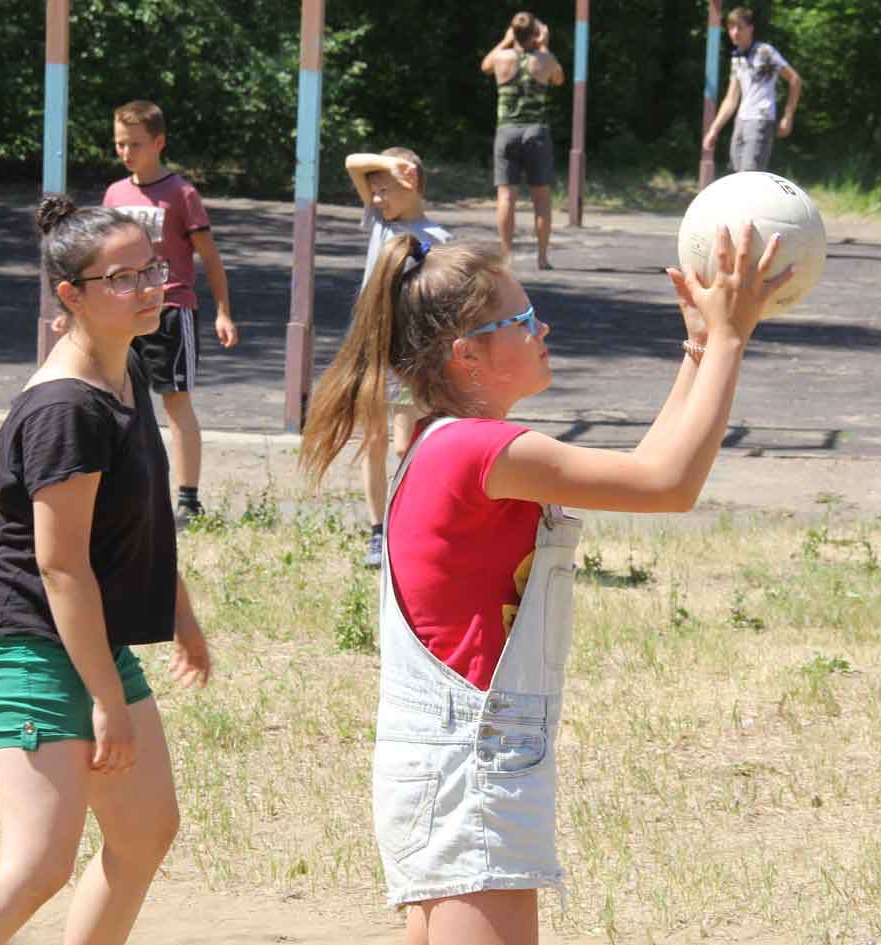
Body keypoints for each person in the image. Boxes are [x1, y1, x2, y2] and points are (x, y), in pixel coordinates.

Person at [298, 225, 786, 943]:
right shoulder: (479, 448)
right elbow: (668, 483)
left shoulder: (447, 438)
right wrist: (732, 341)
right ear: (467, 356)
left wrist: (700, 349)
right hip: (467, 759)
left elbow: (652, 464)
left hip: (448, 755)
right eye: (522, 321)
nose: (542, 327)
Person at [0, 198, 212, 945]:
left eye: (150, 267)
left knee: (146, 830)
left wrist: (181, 617)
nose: (147, 286)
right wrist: (108, 700)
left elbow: (138, 521)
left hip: (83, 635)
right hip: (23, 641)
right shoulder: (65, 407)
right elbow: (60, 565)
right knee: (36, 862)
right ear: (70, 296)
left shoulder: (125, 374)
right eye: (121, 277)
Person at [105, 99, 239, 528]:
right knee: (119, 401)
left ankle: (188, 499)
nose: (126, 152)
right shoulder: (114, 194)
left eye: (135, 144)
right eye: (120, 144)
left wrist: (223, 311)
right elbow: (101, 258)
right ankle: (129, 490)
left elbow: (210, 258)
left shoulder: (181, 194)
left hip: (170, 310)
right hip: (123, 312)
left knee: (175, 400)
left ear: (159, 143)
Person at [344, 147, 453, 567]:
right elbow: (353, 163)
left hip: (410, 354)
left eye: (384, 190)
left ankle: (410, 525)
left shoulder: (436, 238)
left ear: (412, 183)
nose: (376, 199)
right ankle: (377, 531)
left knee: (407, 444)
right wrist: (388, 169)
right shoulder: (378, 222)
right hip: (371, 348)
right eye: (373, 192)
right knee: (372, 439)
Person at [481, 11, 565, 270]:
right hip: (535, 132)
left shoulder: (501, 58)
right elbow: (558, 79)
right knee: (541, 196)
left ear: (512, 32)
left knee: (506, 196)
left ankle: (506, 255)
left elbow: (484, 65)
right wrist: (544, 46)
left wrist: (506, 41)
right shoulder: (545, 59)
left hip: (507, 130)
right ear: (535, 34)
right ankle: (542, 257)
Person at [701, 6, 802, 174]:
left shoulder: (765, 52)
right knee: (736, 175)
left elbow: (795, 80)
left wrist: (788, 116)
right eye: (731, 27)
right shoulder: (737, 58)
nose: (734, 32)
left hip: (760, 120)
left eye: (739, 27)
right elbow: (731, 99)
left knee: (750, 176)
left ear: (750, 28)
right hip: (741, 120)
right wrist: (714, 130)